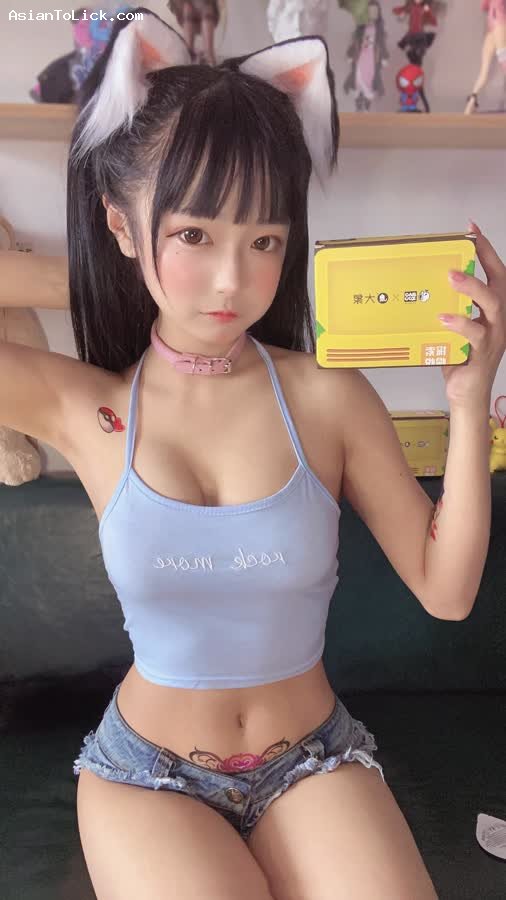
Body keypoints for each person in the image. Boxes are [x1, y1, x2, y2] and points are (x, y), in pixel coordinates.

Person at [2, 6, 505, 899]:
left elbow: (448, 590)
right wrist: (101, 276)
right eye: (194, 235)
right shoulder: (88, 408)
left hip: (313, 758)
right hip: (146, 776)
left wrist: (469, 404)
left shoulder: (328, 397)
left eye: (263, 240)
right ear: (123, 225)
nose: (233, 280)